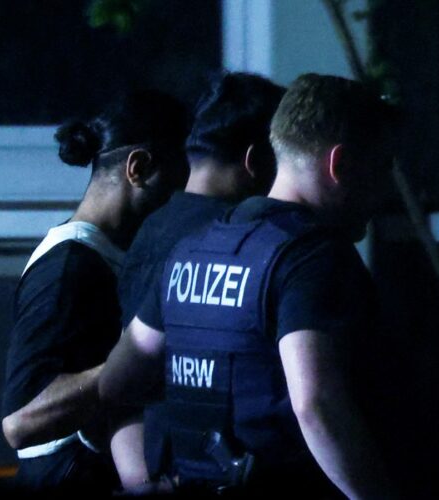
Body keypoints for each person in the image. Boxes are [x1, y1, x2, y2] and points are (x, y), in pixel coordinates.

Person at [99, 74, 400, 498]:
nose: (386, 190)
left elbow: (117, 381)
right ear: (339, 164)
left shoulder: (193, 247)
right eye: (381, 167)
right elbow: (315, 405)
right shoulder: (313, 258)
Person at [0, 89, 189, 494]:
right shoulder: (69, 267)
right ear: (138, 168)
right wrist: (134, 361)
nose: (181, 200)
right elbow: (19, 422)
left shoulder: (110, 255)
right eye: (177, 181)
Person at [110, 71, 284, 490]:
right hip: (212, 467)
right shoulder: (233, 241)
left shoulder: (152, 228)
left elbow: (124, 382)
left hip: (162, 463)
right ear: (256, 161)